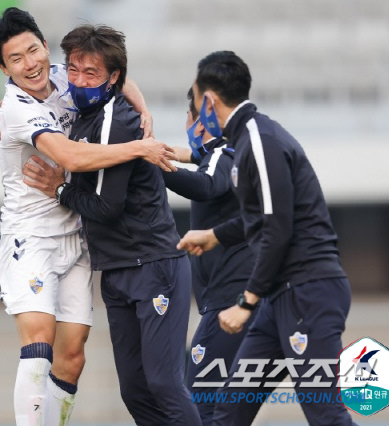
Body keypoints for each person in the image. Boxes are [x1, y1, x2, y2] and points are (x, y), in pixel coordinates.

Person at [0, 8, 177, 426]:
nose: (29, 63)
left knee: (72, 355)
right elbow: (69, 155)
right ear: (4, 67)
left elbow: (114, 73)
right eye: (16, 59)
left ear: (44, 46)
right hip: (29, 238)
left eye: (33, 50)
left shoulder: (64, 75)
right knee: (39, 344)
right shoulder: (15, 108)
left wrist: (141, 107)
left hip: (77, 231)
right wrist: (139, 148)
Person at [22, 24, 201, 426]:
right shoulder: (82, 102)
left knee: (164, 383)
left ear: (112, 77)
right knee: (135, 390)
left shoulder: (112, 121)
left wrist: (60, 190)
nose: (80, 81)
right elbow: (31, 88)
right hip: (118, 270)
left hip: (154, 265)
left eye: (92, 74)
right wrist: (0, 115)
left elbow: (105, 207)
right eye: (74, 70)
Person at [177, 51, 356, 426]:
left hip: (308, 291)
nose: (193, 110)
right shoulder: (244, 142)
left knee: (324, 412)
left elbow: (278, 228)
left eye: (194, 100)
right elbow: (258, 218)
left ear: (209, 101)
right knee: (228, 413)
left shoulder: (260, 141)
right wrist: (214, 235)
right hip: (278, 298)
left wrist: (247, 300)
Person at [163, 87, 254, 425]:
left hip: (228, 301)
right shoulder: (230, 154)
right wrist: (184, 156)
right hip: (240, 297)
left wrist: (156, 168)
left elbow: (206, 185)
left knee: (199, 405)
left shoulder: (222, 153)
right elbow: (210, 164)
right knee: (227, 411)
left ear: (200, 123)